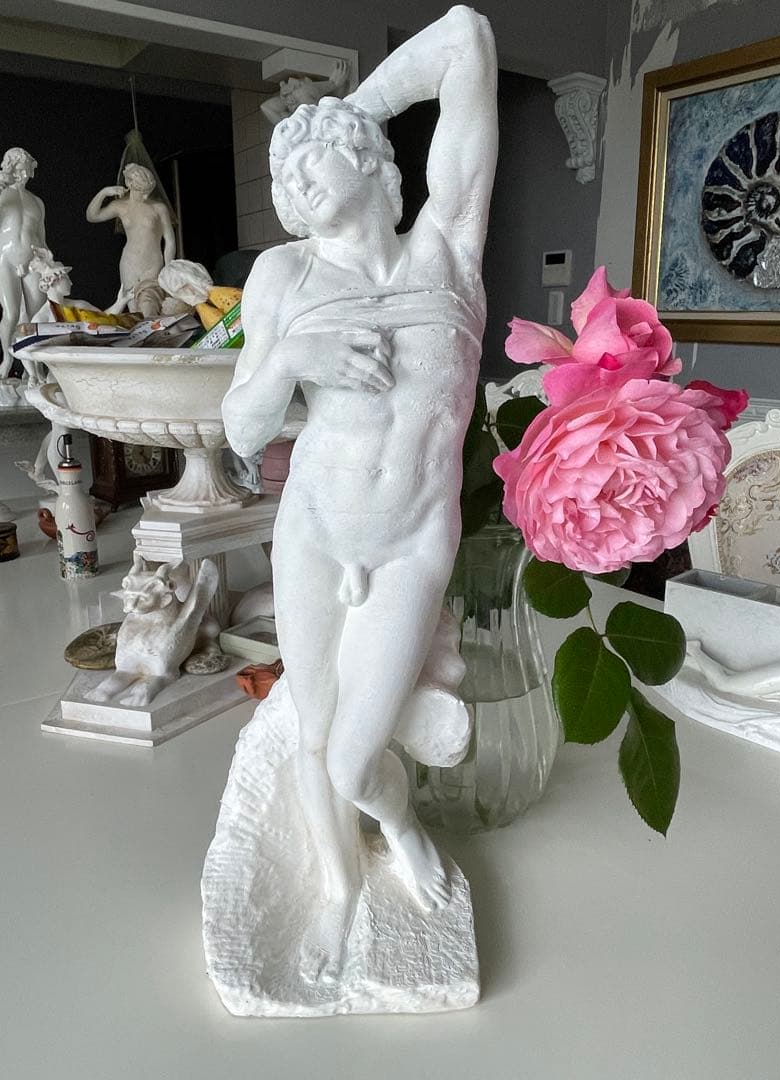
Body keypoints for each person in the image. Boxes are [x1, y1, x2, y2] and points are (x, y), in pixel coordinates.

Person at [222, 6, 497, 985]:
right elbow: (242, 427)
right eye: (282, 173)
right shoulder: (283, 274)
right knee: (314, 735)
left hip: (412, 541)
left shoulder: (449, 249)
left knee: (353, 757)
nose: (291, 180)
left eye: (310, 161)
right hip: (315, 532)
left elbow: (465, 36)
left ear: (371, 161)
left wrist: (349, 111)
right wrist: (291, 355)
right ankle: (339, 890)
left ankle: (398, 822)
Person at [85, 163, 176, 310]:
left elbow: (170, 240)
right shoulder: (120, 206)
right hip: (129, 264)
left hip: (152, 264)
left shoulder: (159, 208)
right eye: (141, 190)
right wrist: (104, 192)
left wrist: (168, 268)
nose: (146, 196)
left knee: (149, 307)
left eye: (148, 191)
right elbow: (92, 216)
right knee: (133, 312)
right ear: (129, 184)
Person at [0, 147, 48, 381]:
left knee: (37, 316)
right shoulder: (3, 196)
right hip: (5, 258)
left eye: (26, 168)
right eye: (19, 168)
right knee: (11, 314)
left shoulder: (37, 201)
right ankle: (7, 360)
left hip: (33, 260)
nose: (23, 173)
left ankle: (35, 369)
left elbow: (42, 237)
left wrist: (47, 262)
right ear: (10, 168)